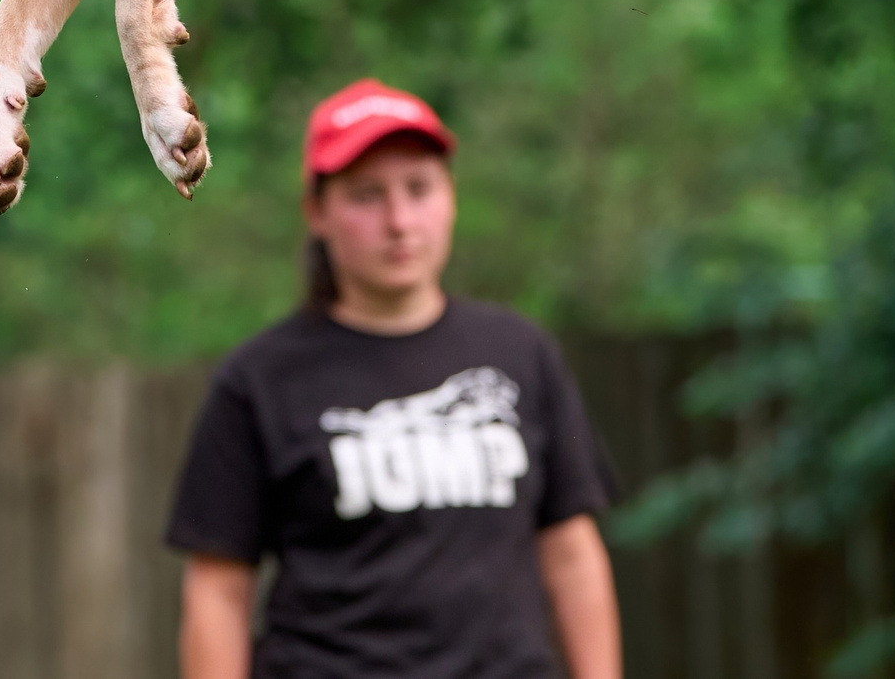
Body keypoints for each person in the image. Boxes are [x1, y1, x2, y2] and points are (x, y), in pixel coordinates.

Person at [166, 79, 623, 679]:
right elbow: (218, 592)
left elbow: (571, 554)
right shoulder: (259, 381)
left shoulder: (521, 354)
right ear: (317, 212)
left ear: (451, 197)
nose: (400, 220)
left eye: (419, 189)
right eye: (367, 195)